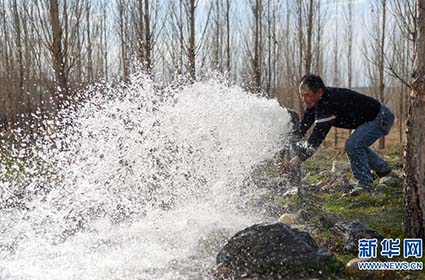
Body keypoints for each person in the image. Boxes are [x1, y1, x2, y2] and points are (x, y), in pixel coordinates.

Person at [278, 74, 394, 195]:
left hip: (380, 117)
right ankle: (384, 171)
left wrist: (294, 161)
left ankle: (365, 186)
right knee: (357, 145)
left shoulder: (328, 104)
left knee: (353, 145)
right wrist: (285, 142)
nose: (304, 99)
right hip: (369, 118)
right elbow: (301, 129)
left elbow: (315, 140)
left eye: (308, 95)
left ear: (320, 92)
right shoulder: (315, 103)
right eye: (301, 95)